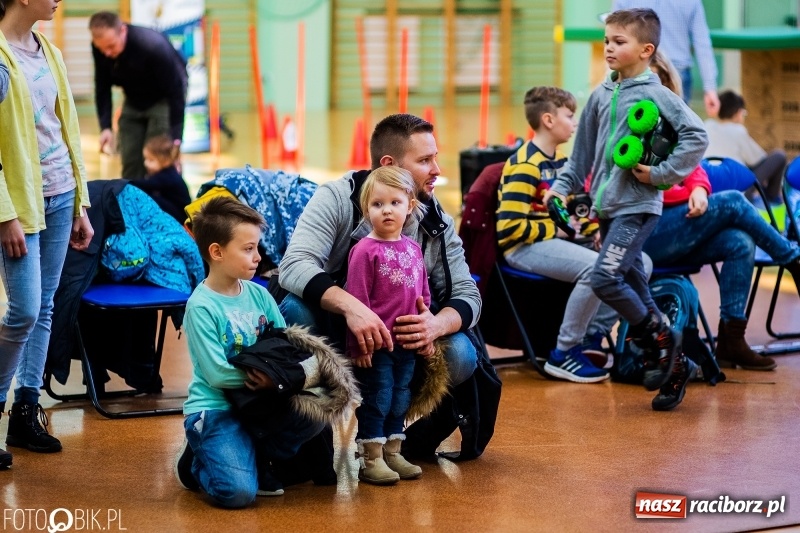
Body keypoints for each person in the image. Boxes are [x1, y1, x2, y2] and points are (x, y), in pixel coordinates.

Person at [279, 113, 482, 457]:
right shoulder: (336, 197)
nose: (437, 169)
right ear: (389, 165)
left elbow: (468, 293)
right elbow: (293, 266)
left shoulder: (436, 220)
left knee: (462, 352)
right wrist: (354, 309)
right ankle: (305, 434)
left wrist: (435, 324)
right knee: (294, 310)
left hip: (399, 342)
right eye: (424, 160)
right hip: (337, 331)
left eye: (435, 157)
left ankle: (393, 440)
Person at [544, 8, 708, 409]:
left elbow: (697, 136)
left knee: (603, 279)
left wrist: (660, 174)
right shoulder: (601, 95)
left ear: (646, 50)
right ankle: (677, 365)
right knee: (634, 285)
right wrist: (560, 190)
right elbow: (580, 158)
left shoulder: (656, 94)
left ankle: (660, 339)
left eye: (619, 42)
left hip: (637, 206)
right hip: (607, 208)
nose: (609, 48)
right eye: (607, 41)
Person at [644, 51, 800, 374]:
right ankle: (791, 256)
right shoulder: (624, 128)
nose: (653, 89)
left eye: (659, 81)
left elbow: (695, 171)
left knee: (739, 240)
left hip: (679, 226)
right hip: (645, 235)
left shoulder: (673, 128)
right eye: (646, 81)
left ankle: (731, 340)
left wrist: (699, 189)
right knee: (732, 200)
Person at [174, 197, 324, 508]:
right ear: (216, 252)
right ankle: (195, 463)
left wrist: (286, 379)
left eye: (257, 247)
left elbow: (286, 346)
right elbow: (216, 374)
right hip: (217, 406)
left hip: (261, 401)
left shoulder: (259, 293)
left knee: (319, 411)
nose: (258, 257)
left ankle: (257, 455)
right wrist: (268, 379)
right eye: (248, 249)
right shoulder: (201, 306)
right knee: (238, 494)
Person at [497, 86, 652, 383]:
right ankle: (564, 353)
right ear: (548, 120)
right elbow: (509, 228)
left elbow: (577, 210)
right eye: (570, 116)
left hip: (558, 241)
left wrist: (595, 232)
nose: (576, 123)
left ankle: (592, 336)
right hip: (524, 248)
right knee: (597, 269)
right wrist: (556, 229)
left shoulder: (561, 163)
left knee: (639, 262)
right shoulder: (526, 165)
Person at [0, 0, 94, 467]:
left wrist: (81, 201)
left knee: (46, 305)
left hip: (61, 194)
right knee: (25, 309)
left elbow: (67, 130)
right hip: (20, 204)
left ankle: (25, 408)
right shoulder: (0, 58)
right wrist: (4, 213)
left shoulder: (47, 49)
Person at [347, 166, 433, 485]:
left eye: (395, 203)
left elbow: (423, 294)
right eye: (377, 204)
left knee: (400, 397)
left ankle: (393, 450)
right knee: (378, 398)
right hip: (378, 346)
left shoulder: (412, 249)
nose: (386, 210)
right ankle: (371, 457)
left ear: (409, 205)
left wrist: (427, 331)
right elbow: (355, 303)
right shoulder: (364, 252)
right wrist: (358, 345)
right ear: (366, 209)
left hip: (407, 344)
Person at [89, 11, 187, 179]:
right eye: (101, 48)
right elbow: (102, 85)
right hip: (133, 99)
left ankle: (164, 202)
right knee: (130, 160)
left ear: (123, 31)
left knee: (158, 159)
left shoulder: (152, 46)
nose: (106, 53)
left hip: (163, 98)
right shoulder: (102, 48)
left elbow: (177, 91)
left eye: (111, 46)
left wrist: (176, 138)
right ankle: (133, 202)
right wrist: (105, 127)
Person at [612, 0, 719, 117]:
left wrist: (611, 79)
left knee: (631, 125)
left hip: (637, 70)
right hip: (678, 75)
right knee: (677, 129)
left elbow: (615, 37)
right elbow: (701, 42)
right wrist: (710, 88)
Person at [704, 90, 787, 208]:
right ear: (739, 113)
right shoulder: (738, 130)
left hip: (707, 187)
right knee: (779, 156)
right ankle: (771, 200)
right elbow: (758, 159)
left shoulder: (707, 125)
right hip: (736, 190)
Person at [130, 134, 192, 224]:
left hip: (182, 218)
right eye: (145, 159)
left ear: (165, 160)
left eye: (151, 160)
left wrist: (127, 182)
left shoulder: (168, 176)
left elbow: (147, 184)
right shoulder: (166, 173)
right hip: (179, 212)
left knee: (151, 198)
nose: (145, 163)